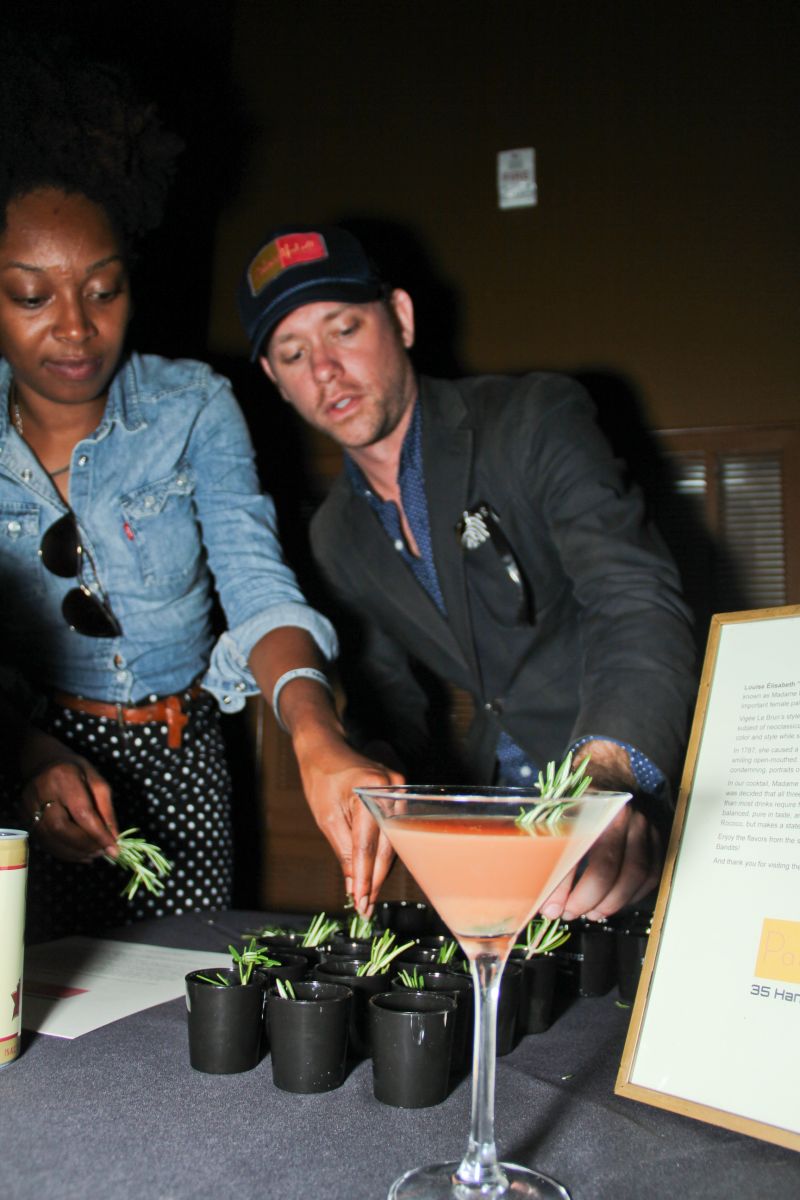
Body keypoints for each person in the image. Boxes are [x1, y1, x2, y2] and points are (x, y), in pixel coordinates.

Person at [0, 55, 397, 940]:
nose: (74, 325)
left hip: (181, 763)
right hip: (20, 764)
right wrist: (27, 757)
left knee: (183, 1010)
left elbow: (257, 584)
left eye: (103, 290)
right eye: (32, 295)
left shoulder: (196, 407)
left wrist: (312, 728)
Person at [237, 223, 699, 923]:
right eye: (293, 353)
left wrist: (602, 782)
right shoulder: (334, 535)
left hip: (627, 781)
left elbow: (633, 599)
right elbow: (392, 701)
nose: (324, 369)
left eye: (344, 329)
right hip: (492, 811)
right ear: (275, 380)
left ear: (401, 317)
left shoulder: (533, 418)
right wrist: (374, 777)